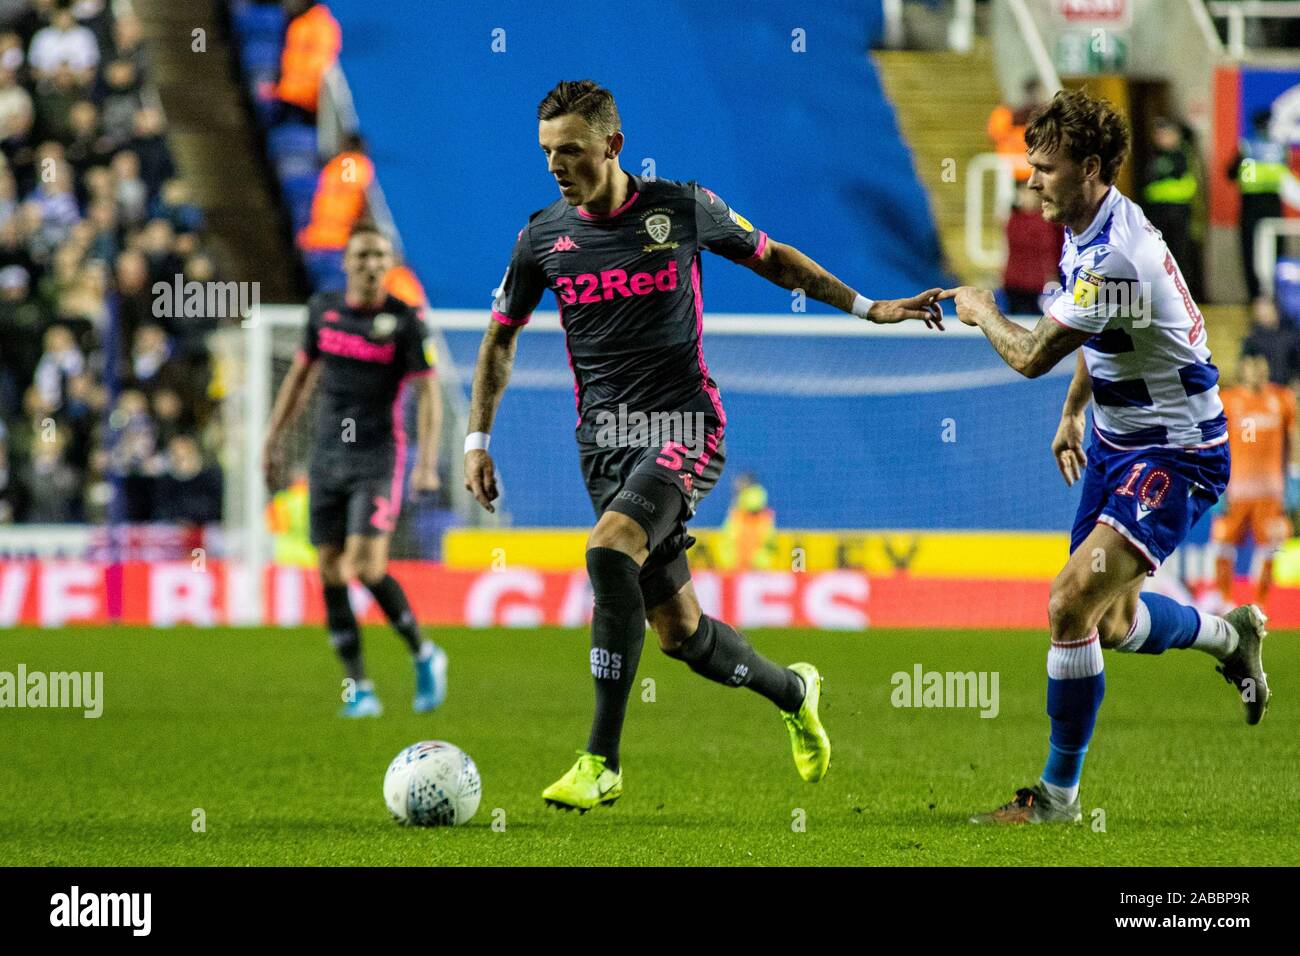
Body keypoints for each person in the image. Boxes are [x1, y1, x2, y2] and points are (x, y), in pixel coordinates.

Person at [465, 79, 943, 812]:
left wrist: (870, 308)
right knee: (679, 634)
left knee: (607, 550)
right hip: (603, 444)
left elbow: (775, 259)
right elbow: (500, 338)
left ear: (613, 146)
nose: (558, 166)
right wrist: (477, 438)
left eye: (572, 151)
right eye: (548, 154)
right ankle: (794, 690)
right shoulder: (540, 239)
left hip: (684, 425)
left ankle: (601, 759)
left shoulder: (680, 209)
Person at [940, 89, 1270, 826]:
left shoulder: (1119, 254)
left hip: (1177, 452)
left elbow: (1028, 353)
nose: (1031, 181)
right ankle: (1230, 635)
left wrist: (980, 307)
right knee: (1109, 625)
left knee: (1067, 604)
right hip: (1117, 444)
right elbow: (1104, 334)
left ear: (1090, 168)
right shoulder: (1088, 225)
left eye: (1045, 169)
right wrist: (1073, 409)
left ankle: (1056, 798)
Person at [264, 223, 447, 717]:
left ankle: (424, 652)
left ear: (389, 266)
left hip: (378, 457)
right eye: (362, 256)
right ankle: (359, 688)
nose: (371, 265)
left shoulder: (404, 321)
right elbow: (301, 377)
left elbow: (429, 392)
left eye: (380, 257)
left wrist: (427, 464)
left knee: (365, 567)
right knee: (328, 568)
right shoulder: (323, 312)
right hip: (326, 456)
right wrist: (273, 439)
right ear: (345, 263)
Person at [1211, 353, 1297, 611]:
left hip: (1270, 492)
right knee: (1223, 545)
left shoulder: (1282, 399)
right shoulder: (1227, 400)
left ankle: (1260, 603)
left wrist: (1293, 476)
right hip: (1235, 491)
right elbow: (1217, 443)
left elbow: (1293, 439)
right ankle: (1225, 600)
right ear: (1242, 369)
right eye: (1252, 365)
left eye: (1263, 365)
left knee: (1269, 549)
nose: (1259, 370)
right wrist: (1218, 482)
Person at [1229, 109, 1288, 303]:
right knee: (1266, 252)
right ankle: (1265, 298)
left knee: (1257, 252)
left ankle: (1261, 298)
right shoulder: (1277, 146)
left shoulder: (1247, 145)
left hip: (1259, 205)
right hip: (1265, 205)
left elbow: (1230, 174)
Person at [1143, 118, 1198, 297]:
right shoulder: (1150, 155)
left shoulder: (1184, 155)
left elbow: (1190, 185)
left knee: (1180, 255)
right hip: (1157, 213)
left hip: (1179, 212)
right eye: (1159, 134)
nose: (1162, 138)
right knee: (1157, 257)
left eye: (1166, 133)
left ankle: (1182, 295)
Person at [1003, 181, 1063, 315]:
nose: (1026, 197)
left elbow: (1054, 250)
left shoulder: (1049, 221)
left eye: (1030, 193)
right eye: (1023, 193)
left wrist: (1053, 275)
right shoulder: (1013, 219)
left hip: (1039, 283)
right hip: (1014, 281)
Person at [716, 473, 778, 571]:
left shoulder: (737, 515)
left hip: (748, 569)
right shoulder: (764, 517)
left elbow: (726, 542)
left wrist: (730, 563)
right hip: (754, 569)